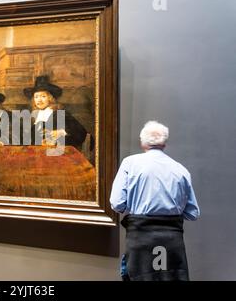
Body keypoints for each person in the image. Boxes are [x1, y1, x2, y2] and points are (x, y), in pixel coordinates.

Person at [110, 120, 200, 281]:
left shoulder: (130, 164)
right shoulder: (181, 170)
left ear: (142, 142)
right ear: (164, 144)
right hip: (172, 241)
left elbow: (117, 203)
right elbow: (193, 213)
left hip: (140, 239)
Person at [23, 75, 91, 151]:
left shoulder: (59, 114)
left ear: (50, 98)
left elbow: (81, 133)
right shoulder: (36, 116)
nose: (39, 100)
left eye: (43, 96)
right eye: (36, 97)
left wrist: (60, 133)